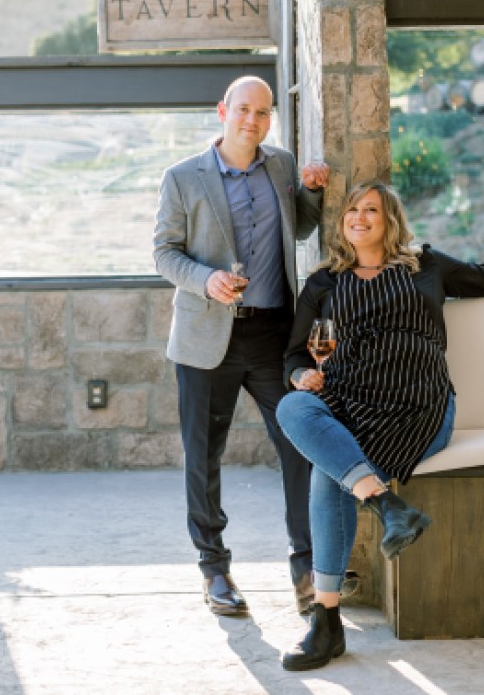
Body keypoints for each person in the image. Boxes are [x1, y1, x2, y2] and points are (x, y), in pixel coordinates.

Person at [276, 179, 484, 671]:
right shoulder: (323, 283)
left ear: (390, 220)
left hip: (417, 406)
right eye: (352, 210)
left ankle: (326, 620)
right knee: (291, 408)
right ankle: (386, 506)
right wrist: (302, 375)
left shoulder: (425, 265)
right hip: (346, 402)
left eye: (372, 210)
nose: (359, 218)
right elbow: (296, 355)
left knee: (328, 472)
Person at [153, 75, 329, 617]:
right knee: (204, 456)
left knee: (300, 443)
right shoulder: (182, 177)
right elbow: (164, 252)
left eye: (263, 112)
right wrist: (205, 279)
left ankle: (307, 566)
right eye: (244, 110)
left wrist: (312, 191)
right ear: (222, 111)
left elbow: (300, 228)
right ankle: (214, 569)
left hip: (274, 334)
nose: (253, 120)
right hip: (207, 337)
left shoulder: (281, 165)